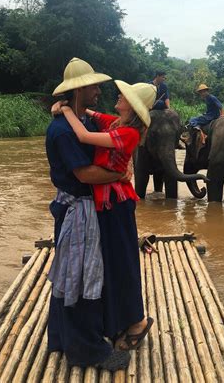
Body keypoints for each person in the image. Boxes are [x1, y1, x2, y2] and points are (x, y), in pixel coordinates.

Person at [52, 77, 157, 354]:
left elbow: (85, 139)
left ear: (132, 108)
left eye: (123, 96)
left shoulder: (127, 133)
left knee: (123, 262)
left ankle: (137, 321)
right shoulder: (114, 122)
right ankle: (117, 321)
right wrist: (67, 106)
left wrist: (64, 112)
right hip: (105, 206)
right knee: (111, 264)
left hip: (117, 205)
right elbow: (90, 114)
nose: (115, 96)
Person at [45, 57, 131, 371]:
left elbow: (116, 129)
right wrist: (119, 176)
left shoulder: (85, 122)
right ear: (80, 90)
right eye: (94, 85)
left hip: (81, 210)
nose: (98, 90)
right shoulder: (63, 131)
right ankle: (87, 350)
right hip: (76, 211)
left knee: (71, 275)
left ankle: (60, 336)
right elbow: (84, 174)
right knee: (80, 279)